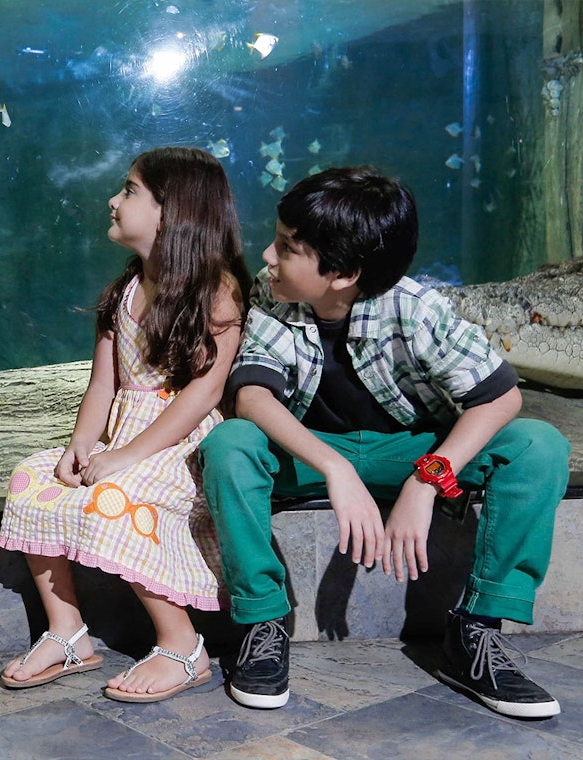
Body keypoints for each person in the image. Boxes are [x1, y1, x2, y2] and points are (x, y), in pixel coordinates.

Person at [198, 166, 570, 719]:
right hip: (316, 450)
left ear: (343, 272)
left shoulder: (416, 309)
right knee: (230, 444)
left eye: (286, 247)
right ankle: (263, 623)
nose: (267, 257)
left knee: (539, 445)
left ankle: (476, 631)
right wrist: (335, 468)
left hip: (412, 452)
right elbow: (252, 396)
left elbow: (501, 397)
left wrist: (429, 479)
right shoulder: (272, 293)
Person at [0, 146, 251, 702]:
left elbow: (204, 393)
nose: (113, 200)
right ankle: (67, 634)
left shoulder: (217, 291)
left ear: (172, 211)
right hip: (122, 435)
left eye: (129, 190)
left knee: (115, 492)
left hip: (180, 442)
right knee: (34, 480)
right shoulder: (124, 293)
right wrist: (80, 444)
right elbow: (103, 385)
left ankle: (183, 646)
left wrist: (123, 457)